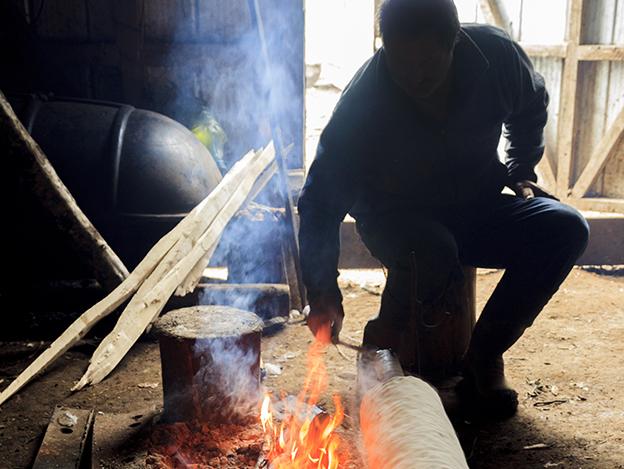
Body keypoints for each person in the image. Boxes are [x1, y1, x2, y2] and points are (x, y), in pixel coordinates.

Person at [298, 0, 589, 418]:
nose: (413, 79)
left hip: (475, 203)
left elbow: (532, 104)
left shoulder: (496, 57)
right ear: (385, 47)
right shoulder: (363, 103)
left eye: (427, 65)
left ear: (456, 40)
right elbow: (320, 202)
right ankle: (380, 351)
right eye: (400, 64)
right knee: (432, 249)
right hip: (394, 216)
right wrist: (323, 292)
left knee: (567, 228)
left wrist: (521, 167)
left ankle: (484, 358)